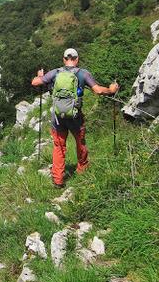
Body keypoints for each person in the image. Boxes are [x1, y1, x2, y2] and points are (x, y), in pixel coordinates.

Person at [31, 48, 119, 187]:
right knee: (80, 142)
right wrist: (111, 90)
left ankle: (58, 180)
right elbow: (98, 90)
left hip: (58, 117)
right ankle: (82, 170)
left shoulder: (55, 72)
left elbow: (35, 82)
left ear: (64, 59)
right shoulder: (83, 74)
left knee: (59, 146)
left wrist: (40, 76)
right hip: (75, 117)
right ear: (77, 59)